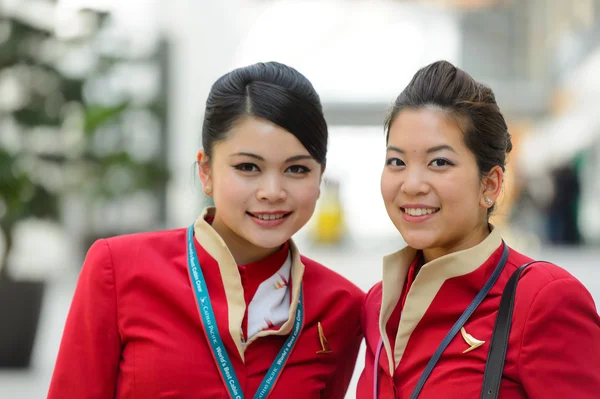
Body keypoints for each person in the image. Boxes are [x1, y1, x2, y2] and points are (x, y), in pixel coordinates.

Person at [48, 61, 364, 399]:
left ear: (320, 178)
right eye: (247, 167)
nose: (272, 191)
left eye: (297, 169)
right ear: (206, 171)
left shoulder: (341, 306)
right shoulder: (118, 269)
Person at [357, 60, 600, 398]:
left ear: (490, 183)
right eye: (396, 161)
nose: (411, 184)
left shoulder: (543, 299)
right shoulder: (379, 304)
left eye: (439, 162)